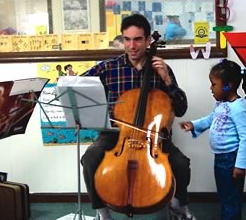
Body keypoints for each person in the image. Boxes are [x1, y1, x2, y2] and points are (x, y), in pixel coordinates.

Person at [81, 14, 197, 220]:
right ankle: (102, 213)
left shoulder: (161, 69)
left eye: (137, 39)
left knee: (181, 163)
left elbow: (181, 109)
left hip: (152, 136)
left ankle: (177, 206)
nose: (132, 45)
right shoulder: (109, 68)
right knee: (90, 158)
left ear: (147, 41)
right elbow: (79, 88)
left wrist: (167, 80)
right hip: (116, 134)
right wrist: (81, 114)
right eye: (127, 39)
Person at [180, 59, 246, 220]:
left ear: (228, 86)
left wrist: (240, 165)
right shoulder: (221, 104)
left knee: (231, 199)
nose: (211, 88)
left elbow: (245, 138)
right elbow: (210, 119)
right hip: (220, 158)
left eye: (214, 84)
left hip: (231, 160)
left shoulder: (238, 108)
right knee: (225, 196)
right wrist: (193, 124)